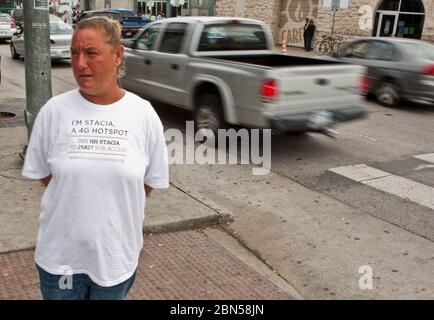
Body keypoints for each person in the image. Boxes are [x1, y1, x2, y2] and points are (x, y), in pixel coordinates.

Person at [22, 16, 169, 300]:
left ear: (117, 55)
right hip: (61, 260)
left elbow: (148, 181)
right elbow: (45, 174)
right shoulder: (54, 111)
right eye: (75, 53)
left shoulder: (143, 114)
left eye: (91, 53)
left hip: (115, 259)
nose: (79, 64)